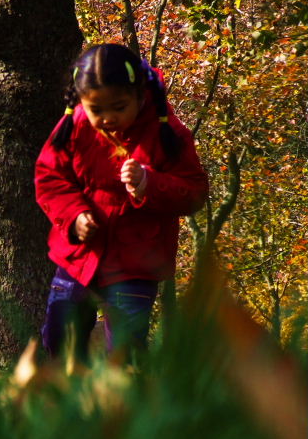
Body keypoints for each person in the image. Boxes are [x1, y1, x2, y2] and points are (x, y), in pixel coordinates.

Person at [34, 43, 207, 362]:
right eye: (97, 109)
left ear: (140, 95)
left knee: (125, 350)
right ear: (82, 100)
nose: (108, 117)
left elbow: (195, 192)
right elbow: (49, 175)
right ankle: (68, 402)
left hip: (136, 262)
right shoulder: (75, 124)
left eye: (118, 107)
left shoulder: (166, 132)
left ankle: (123, 405)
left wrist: (148, 184)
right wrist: (74, 216)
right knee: (60, 338)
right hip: (78, 258)